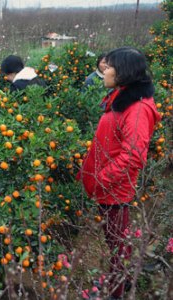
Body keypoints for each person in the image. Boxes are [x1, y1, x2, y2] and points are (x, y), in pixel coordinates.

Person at [79, 47, 161, 300]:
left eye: (109, 65)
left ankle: (116, 292)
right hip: (107, 186)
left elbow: (134, 155)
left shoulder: (137, 108)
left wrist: (101, 178)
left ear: (123, 71)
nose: (104, 69)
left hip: (115, 188)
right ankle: (116, 283)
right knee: (116, 243)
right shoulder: (122, 96)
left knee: (118, 245)